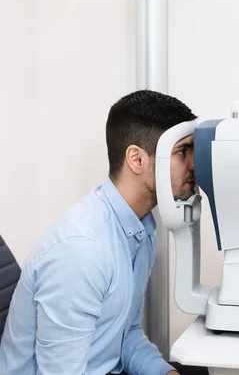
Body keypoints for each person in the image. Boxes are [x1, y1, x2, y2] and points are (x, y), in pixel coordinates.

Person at [0, 90, 207, 375]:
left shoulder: (140, 229)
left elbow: (125, 335)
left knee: (197, 370)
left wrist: (166, 373)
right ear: (137, 159)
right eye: (182, 151)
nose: (194, 163)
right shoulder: (82, 250)